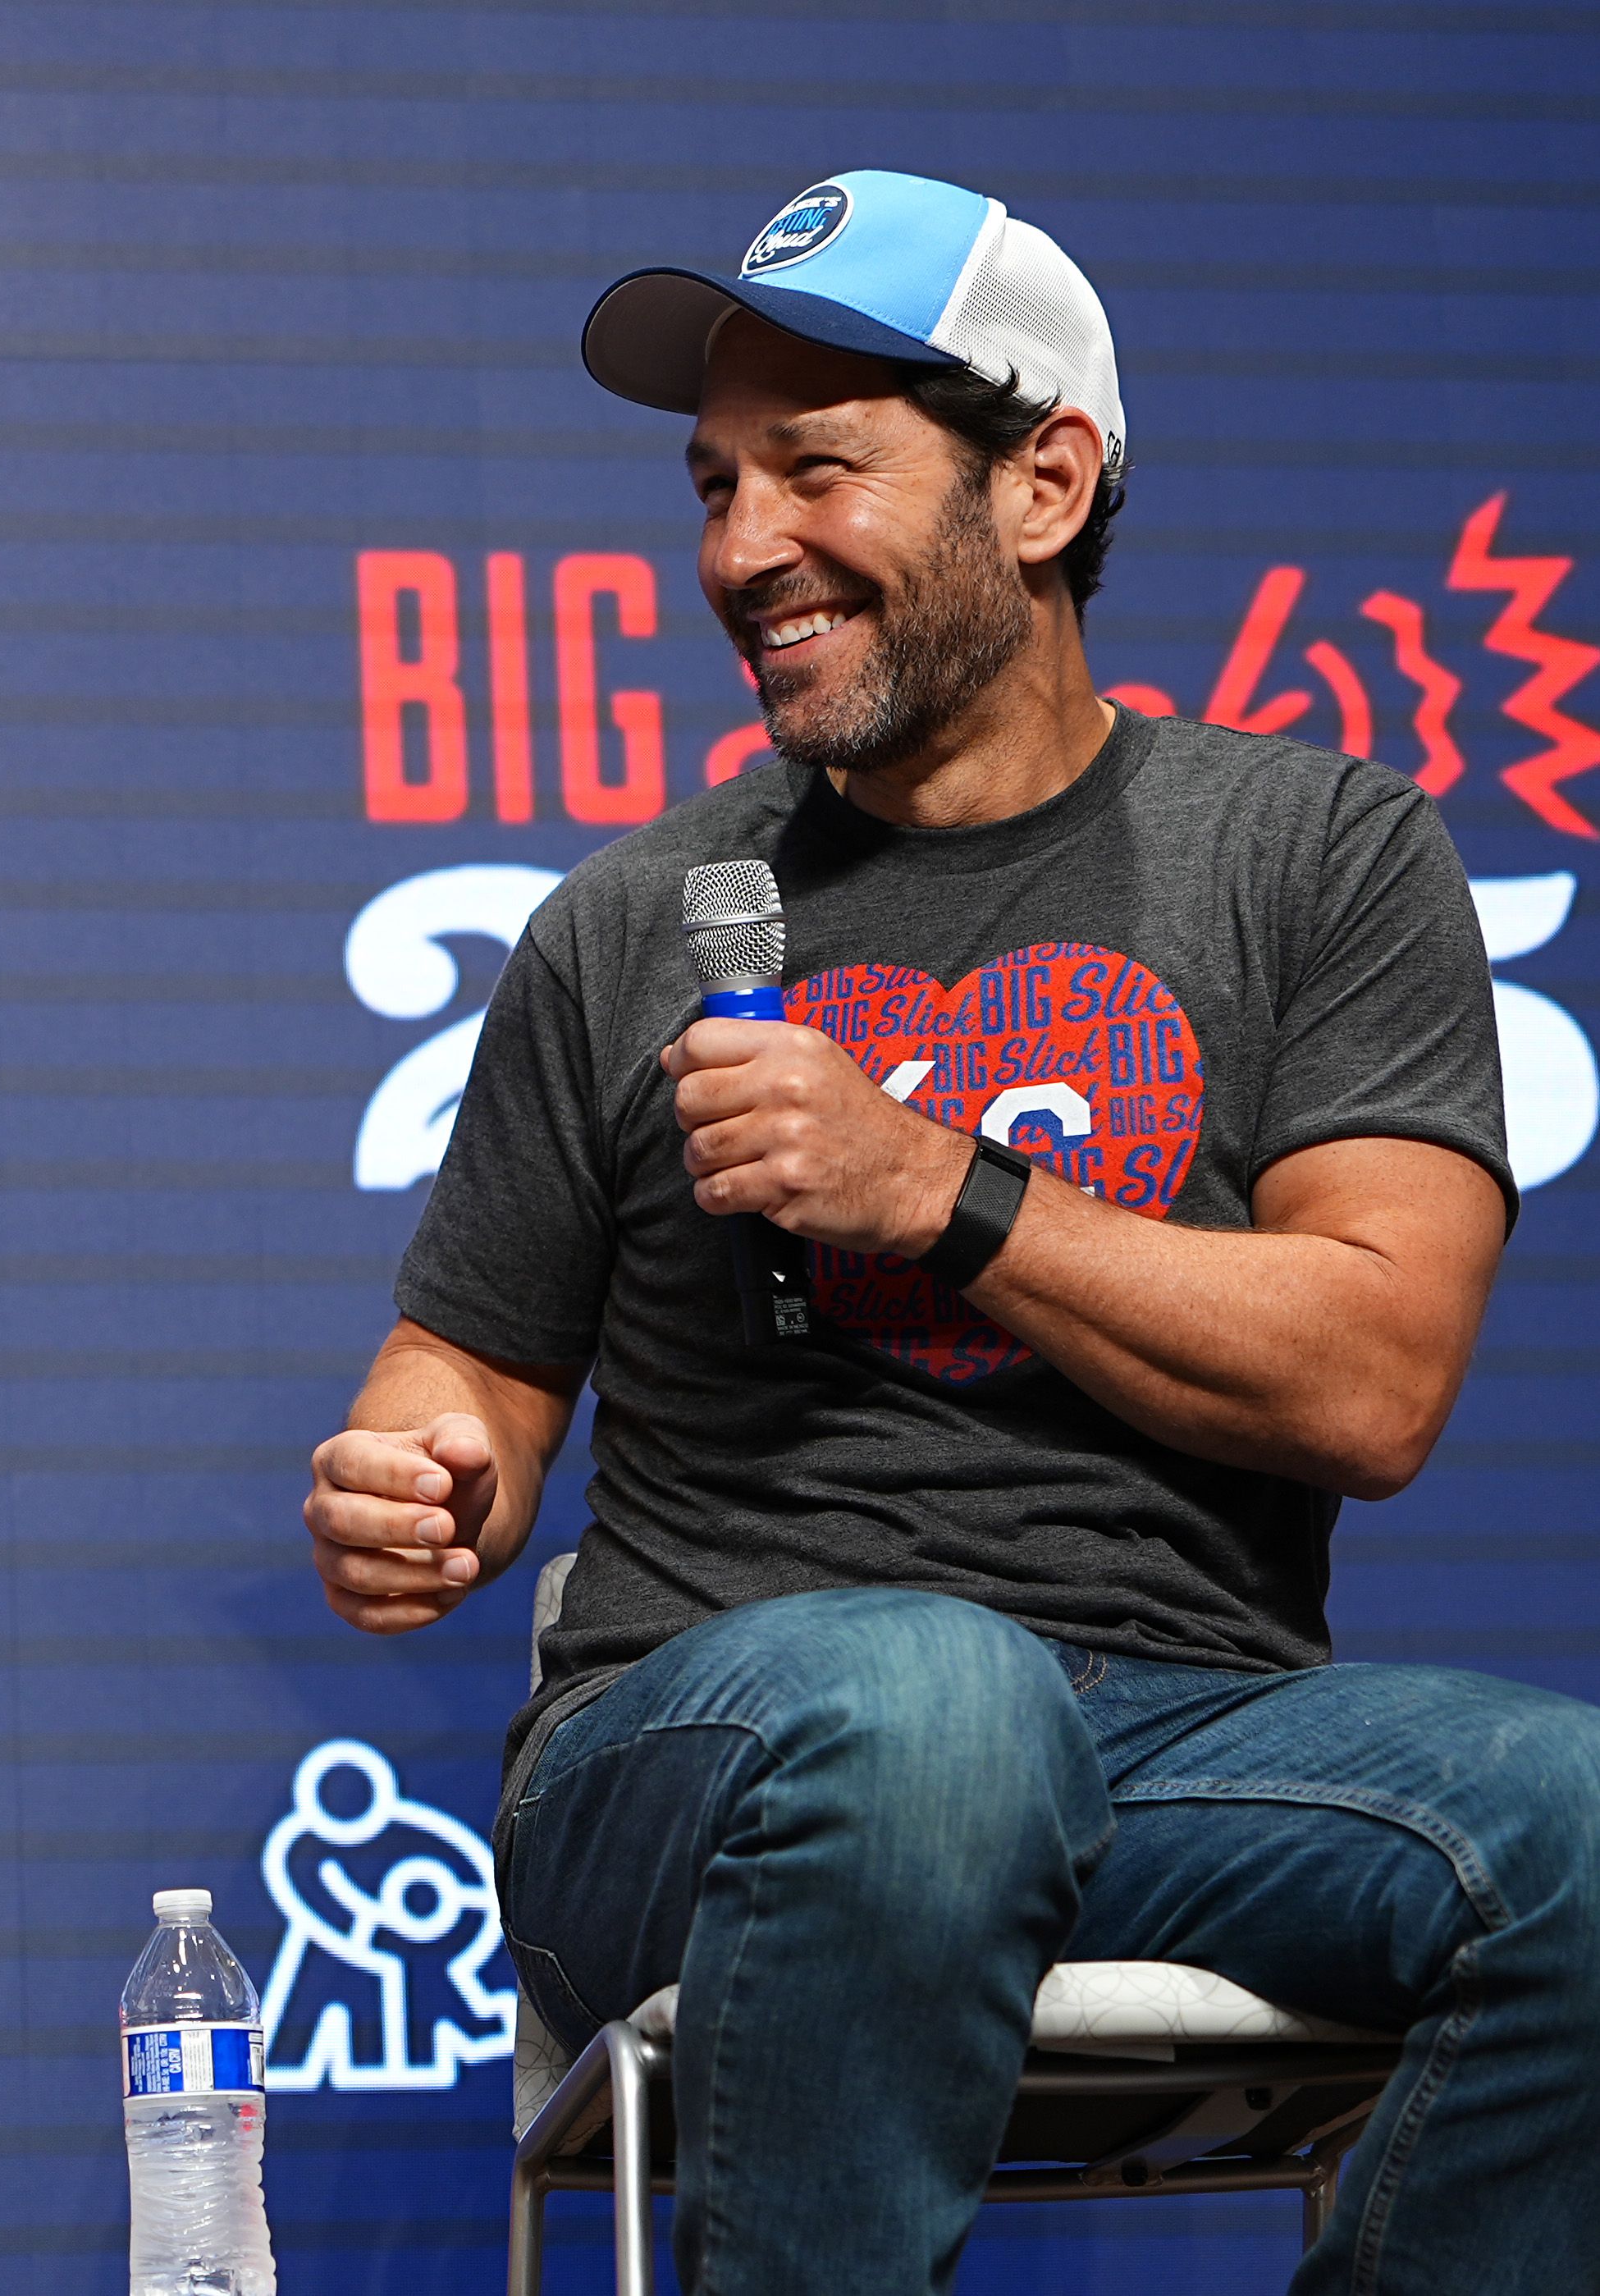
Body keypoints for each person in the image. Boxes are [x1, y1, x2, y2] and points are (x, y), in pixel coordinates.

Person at [303, 169, 1596, 2289]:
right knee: (931, 1704)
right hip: (704, 1734)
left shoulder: (1316, 855)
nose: (740, 552)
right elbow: (474, 1367)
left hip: (1183, 1742)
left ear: (1047, 483)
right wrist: (419, 1477)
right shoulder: (633, 922)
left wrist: (946, 1193)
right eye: (714, 485)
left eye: (819, 470)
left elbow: (1372, 1380)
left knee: (1581, 1836)